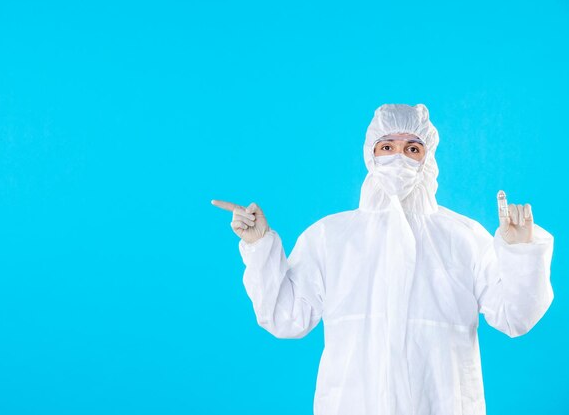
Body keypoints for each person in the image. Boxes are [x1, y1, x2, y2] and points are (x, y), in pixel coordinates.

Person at [211, 103, 554, 415]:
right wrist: (260, 249)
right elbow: (286, 318)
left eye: (412, 149)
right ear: (370, 154)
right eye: (387, 147)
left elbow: (516, 317)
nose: (399, 157)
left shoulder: (464, 237)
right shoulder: (331, 236)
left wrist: (520, 253)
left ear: (428, 158)